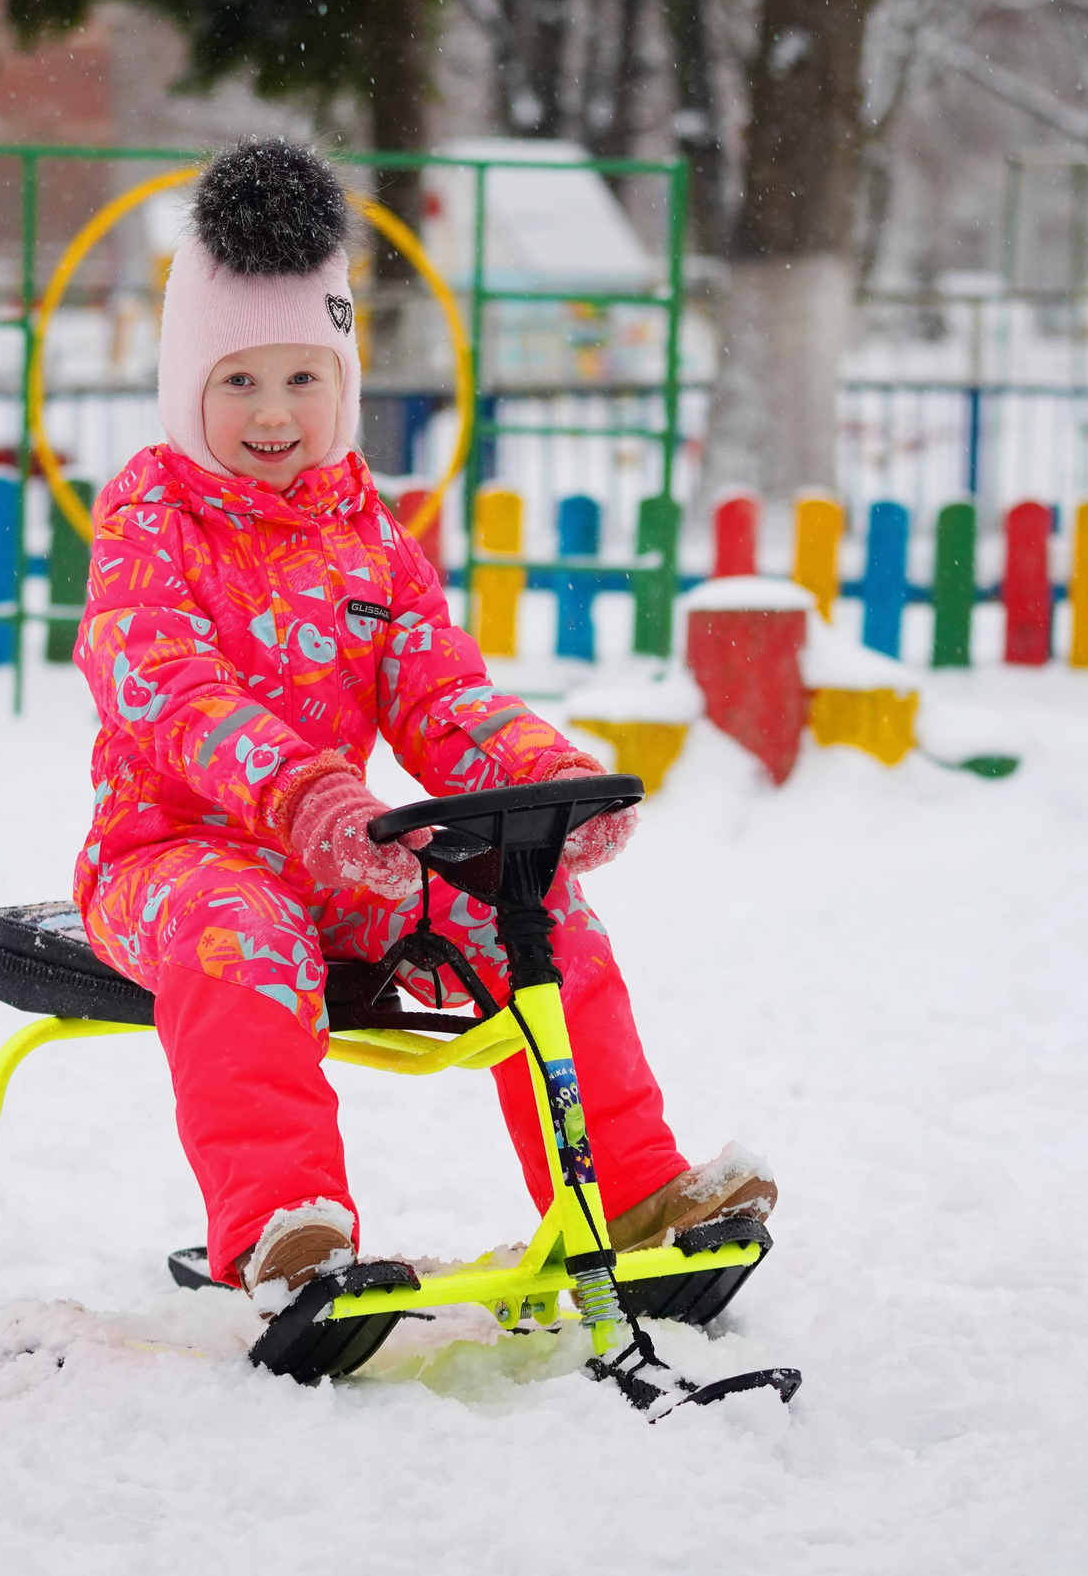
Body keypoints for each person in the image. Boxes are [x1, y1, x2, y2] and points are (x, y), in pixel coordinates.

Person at [73, 140, 772, 1305]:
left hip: (346, 861)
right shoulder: (152, 516)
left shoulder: (368, 531)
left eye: (304, 378)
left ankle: (631, 1191)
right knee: (239, 925)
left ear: (343, 381)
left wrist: (539, 776)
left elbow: (436, 689)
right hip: (176, 858)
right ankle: (287, 1230)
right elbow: (160, 679)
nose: (274, 413)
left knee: (533, 904)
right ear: (185, 386)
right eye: (237, 380)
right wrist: (298, 791)